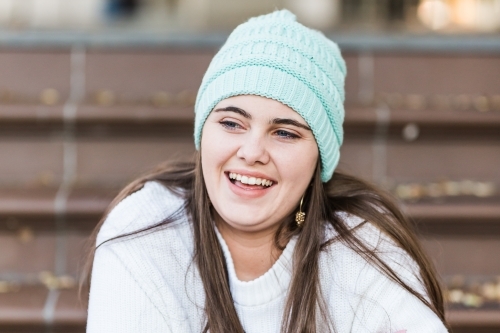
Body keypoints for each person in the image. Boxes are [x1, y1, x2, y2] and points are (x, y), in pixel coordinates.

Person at [86, 10, 449, 333]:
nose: (252, 152)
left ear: (318, 160)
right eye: (231, 123)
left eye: (285, 133)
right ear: (202, 134)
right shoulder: (144, 230)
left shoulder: (361, 245)